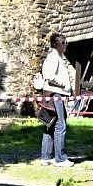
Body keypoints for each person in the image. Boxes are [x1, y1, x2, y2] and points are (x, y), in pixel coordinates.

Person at [40, 32, 74, 167]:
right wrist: (64, 84)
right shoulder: (54, 56)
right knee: (60, 125)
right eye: (63, 43)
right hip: (56, 94)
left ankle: (46, 157)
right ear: (56, 44)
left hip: (53, 94)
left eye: (66, 43)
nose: (65, 45)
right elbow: (48, 75)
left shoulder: (56, 56)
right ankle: (60, 159)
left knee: (51, 124)